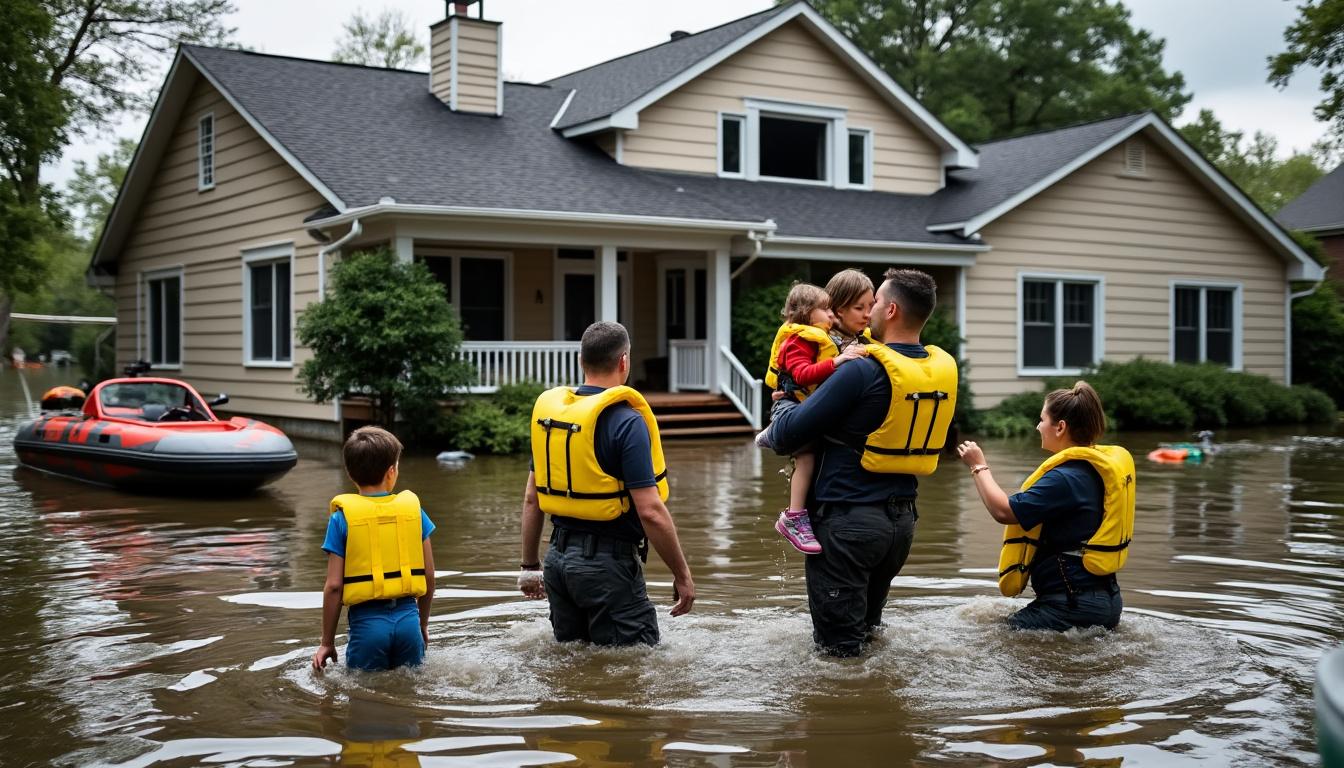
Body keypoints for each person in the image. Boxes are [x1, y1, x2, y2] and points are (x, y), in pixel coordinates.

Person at [770, 268, 958, 656]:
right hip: (901, 526)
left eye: (874, 303)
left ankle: (847, 713)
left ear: (890, 310)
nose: (868, 310)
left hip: (849, 525)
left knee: (838, 657)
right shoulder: (936, 373)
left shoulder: (861, 368)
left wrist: (783, 402)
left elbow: (788, 435)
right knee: (869, 638)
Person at [518, 321, 695, 645]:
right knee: (632, 672)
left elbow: (532, 498)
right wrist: (682, 575)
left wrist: (530, 566)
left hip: (557, 562)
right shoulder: (627, 421)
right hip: (607, 568)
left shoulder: (553, 417)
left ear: (581, 361)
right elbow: (651, 511)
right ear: (623, 361)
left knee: (572, 665)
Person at [955, 382, 1135, 631]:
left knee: (998, 639)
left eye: (1042, 419)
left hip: (1072, 606)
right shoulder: (1094, 469)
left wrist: (978, 466)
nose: (1038, 426)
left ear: (1060, 427)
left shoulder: (1065, 478)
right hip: (1105, 601)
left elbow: (1004, 512)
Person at [756, 282, 869, 553]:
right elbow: (802, 375)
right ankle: (794, 516)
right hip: (791, 408)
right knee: (806, 458)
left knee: (810, 456)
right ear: (807, 312)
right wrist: (839, 362)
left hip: (802, 406)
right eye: (826, 309)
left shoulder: (828, 338)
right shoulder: (799, 340)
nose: (831, 315)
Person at [312, 426, 436, 672]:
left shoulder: (341, 519)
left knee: (364, 700)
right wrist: (422, 624)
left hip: (367, 625)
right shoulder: (414, 512)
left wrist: (326, 642)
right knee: (410, 694)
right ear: (392, 472)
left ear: (350, 473)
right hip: (408, 621)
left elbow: (334, 586)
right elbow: (429, 576)